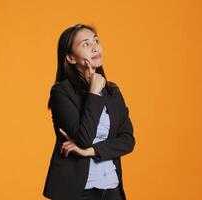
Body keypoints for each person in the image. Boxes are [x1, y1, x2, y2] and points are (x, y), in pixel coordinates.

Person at [43, 23, 136, 200]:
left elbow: (127, 141)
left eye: (96, 41)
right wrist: (93, 93)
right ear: (71, 58)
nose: (94, 47)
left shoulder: (112, 91)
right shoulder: (61, 92)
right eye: (85, 44)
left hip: (112, 188)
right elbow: (83, 138)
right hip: (76, 192)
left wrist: (90, 151)